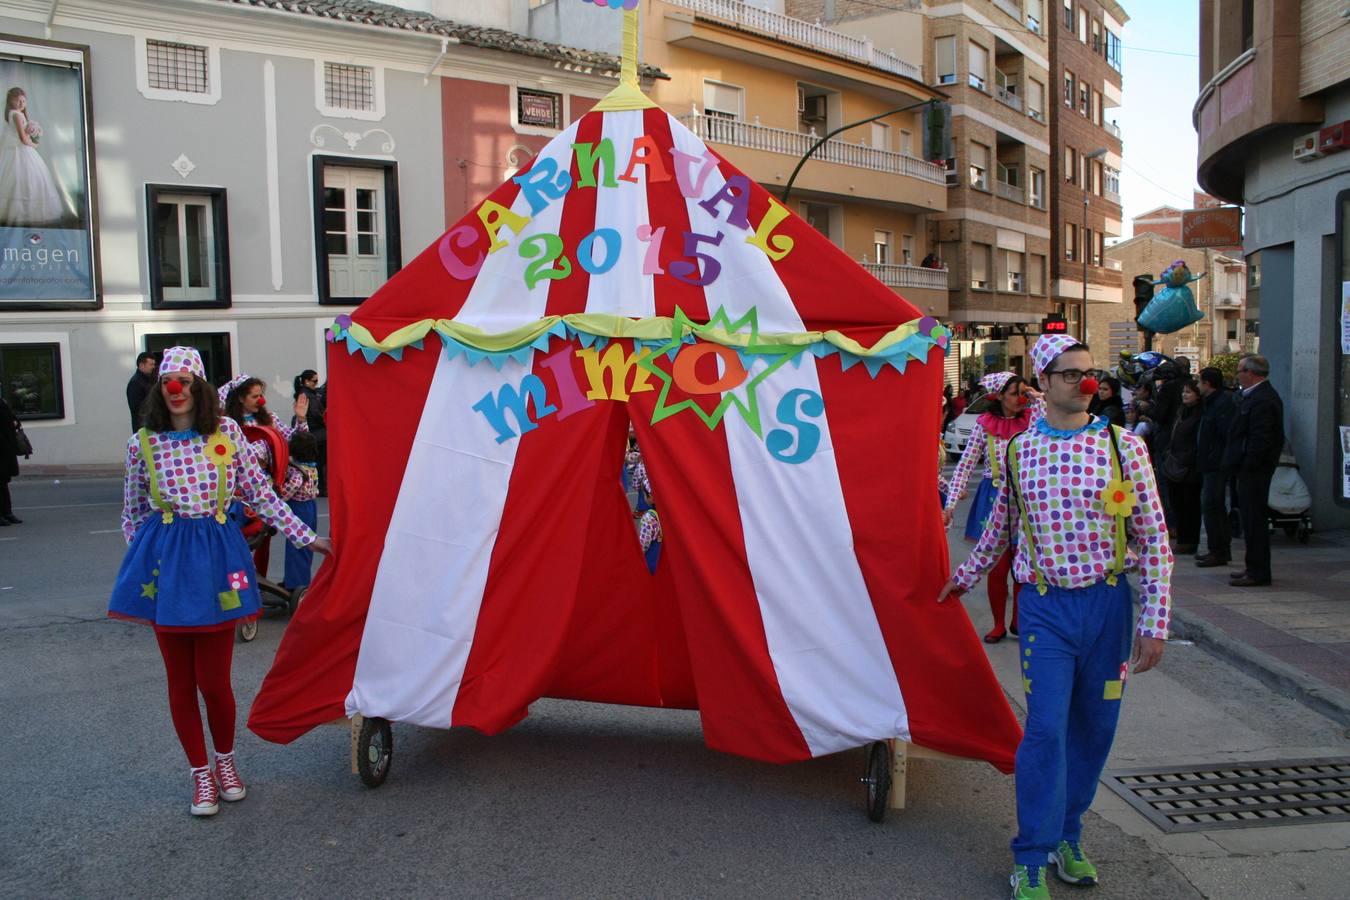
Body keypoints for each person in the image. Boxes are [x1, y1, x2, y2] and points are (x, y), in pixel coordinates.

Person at [938, 334, 1171, 899]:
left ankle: (1069, 835)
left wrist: (1154, 621)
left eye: (1090, 373)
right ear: (1043, 382)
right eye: (1071, 374)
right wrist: (961, 579)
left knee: (1094, 730)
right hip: (1045, 609)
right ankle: (1031, 854)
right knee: (1044, 730)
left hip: (1108, 607)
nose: (1086, 383)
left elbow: (1154, 537)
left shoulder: (1124, 449)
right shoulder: (1018, 450)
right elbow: (1001, 529)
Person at [107, 347, 332, 816]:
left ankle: (225, 763)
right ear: (158, 389)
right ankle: (200, 774)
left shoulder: (227, 434)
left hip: (215, 565)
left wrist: (308, 538)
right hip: (166, 573)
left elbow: (262, 497)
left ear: (201, 389)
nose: (176, 391)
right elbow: (132, 515)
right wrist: (146, 565)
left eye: (187, 382)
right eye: (170, 382)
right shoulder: (142, 443)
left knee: (213, 680)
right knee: (179, 680)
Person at [943, 371, 1042, 643]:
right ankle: (998, 623)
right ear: (999, 396)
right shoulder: (984, 425)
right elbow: (964, 465)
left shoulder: (1033, 420)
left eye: (1025, 392)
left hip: (1025, 497)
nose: (1021, 398)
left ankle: (1018, 621)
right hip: (993, 495)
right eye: (1015, 393)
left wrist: (1037, 398)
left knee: (1024, 562)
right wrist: (950, 504)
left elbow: (1050, 419)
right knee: (997, 566)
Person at [221, 375, 311, 579]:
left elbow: (295, 442)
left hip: (264, 489)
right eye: (255, 396)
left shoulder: (269, 418)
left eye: (262, 395)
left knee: (265, 533)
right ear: (241, 398)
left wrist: (301, 419)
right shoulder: (226, 424)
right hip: (234, 491)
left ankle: (259, 578)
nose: (261, 400)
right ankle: (236, 577)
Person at [1222, 355, 1284, 587]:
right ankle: (1252, 565)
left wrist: (1248, 464)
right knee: (1249, 519)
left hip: (1255, 470)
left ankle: (1258, 571)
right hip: (1246, 468)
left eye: (1240, 371)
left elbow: (1262, 439)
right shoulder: (1252, 397)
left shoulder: (1264, 399)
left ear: (1251, 373)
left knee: (1255, 519)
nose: (1238, 375)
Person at [0, 87, 63, 226]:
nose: (22, 103)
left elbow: (21, 134)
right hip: (20, 150)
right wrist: (34, 145)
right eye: (18, 101)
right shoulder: (16, 115)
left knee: (22, 180)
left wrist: (32, 131)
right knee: (26, 179)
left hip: (18, 149)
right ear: (11, 101)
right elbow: (22, 138)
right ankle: (22, 212)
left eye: (24, 100)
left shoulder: (13, 114)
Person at [1195, 367, 1237, 567]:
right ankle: (1216, 549)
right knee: (1212, 506)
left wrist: (1217, 457)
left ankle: (1219, 551)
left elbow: (1223, 434)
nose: (1197, 386)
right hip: (1210, 461)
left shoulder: (1222, 404)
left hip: (1216, 463)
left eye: (1199, 382)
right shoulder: (1210, 403)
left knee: (1212, 504)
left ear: (1207, 383)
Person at [1161, 380, 1203, 555]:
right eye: (1184, 391)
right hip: (1174, 463)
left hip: (1189, 466)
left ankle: (1189, 540)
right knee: (1177, 502)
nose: (1185, 395)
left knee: (1189, 505)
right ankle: (1183, 538)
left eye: (1189, 392)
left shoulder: (1199, 415)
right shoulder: (1181, 413)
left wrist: (1187, 459)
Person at [280, 430, 322, 592]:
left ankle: (295, 584)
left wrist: (276, 500)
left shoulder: (297, 472)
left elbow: (288, 492)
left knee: (296, 547)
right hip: (311, 507)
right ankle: (298, 580)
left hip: (298, 509)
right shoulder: (312, 469)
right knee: (307, 545)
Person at [292, 370, 326, 493]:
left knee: (318, 461)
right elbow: (315, 413)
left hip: (313, 431)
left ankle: (320, 486)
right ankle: (321, 487)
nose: (316, 384)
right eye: (314, 381)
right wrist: (326, 421)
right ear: (306, 381)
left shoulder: (311, 394)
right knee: (319, 461)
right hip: (315, 432)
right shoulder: (307, 395)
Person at [0, 394, 21, 525]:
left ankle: (7, 512)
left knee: (3, 482)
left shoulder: (2, 401)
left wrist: (15, 422)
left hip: (6, 449)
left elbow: (12, 418)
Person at [127, 352, 157, 432]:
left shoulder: (149, 380)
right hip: (143, 429)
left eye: (154, 364)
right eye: (151, 364)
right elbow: (137, 408)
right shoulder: (135, 383)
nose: (153, 367)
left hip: (150, 426)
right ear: (141, 365)